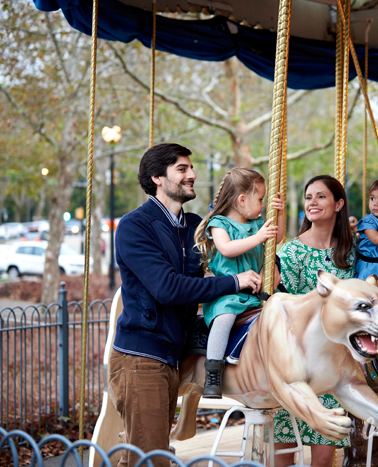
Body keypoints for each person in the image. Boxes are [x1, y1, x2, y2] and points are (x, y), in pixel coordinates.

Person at [108, 143, 262, 467]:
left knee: (140, 455)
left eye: (191, 168)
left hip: (173, 357)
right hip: (142, 355)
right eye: (182, 169)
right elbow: (168, 288)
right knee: (153, 458)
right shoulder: (135, 227)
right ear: (157, 177)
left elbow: (230, 241)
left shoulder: (193, 225)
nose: (192, 174)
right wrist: (234, 282)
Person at [274, 175, 356, 467]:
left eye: (321, 197)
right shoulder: (292, 252)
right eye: (309, 197)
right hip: (296, 363)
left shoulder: (349, 252)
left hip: (334, 364)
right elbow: (284, 307)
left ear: (339, 204)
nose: (312, 203)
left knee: (323, 459)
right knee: (283, 452)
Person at [194, 168, 285, 397]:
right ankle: (213, 370)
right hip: (228, 293)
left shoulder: (257, 223)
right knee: (225, 318)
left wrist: (280, 214)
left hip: (255, 293)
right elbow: (227, 248)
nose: (263, 205)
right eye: (261, 199)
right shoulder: (219, 223)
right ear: (242, 200)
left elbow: (278, 237)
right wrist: (258, 238)